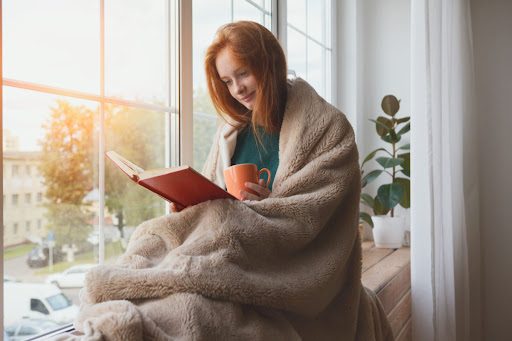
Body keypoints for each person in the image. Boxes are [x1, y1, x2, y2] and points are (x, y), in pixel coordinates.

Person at [72, 21, 393, 341]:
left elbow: (315, 216)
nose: (237, 88)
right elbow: (216, 204)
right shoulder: (230, 132)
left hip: (281, 264)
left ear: (269, 63)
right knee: (153, 239)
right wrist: (186, 207)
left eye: (242, 73)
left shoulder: (328, 129)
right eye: (227, 80)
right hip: (231, 255)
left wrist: (268, 209)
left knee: (196, 306)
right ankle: (124, 295)